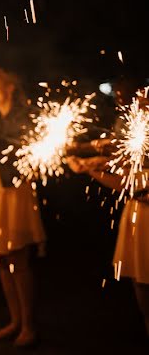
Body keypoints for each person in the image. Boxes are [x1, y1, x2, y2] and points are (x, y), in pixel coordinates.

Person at [68, 83, 149, 340]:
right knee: (141, 282)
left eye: (145, 103)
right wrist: (90, 166)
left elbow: (136, 186)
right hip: (137, 217)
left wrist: (94, 168)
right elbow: (126, 178)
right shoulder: (137, 140)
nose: (140, 107)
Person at [0, 67, 44, 348]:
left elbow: (27, 148)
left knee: (18, 256)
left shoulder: (24, 115)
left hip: (15, 191)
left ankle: (29, 324)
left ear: (11, 87)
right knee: (1, 258)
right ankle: (14, 320)